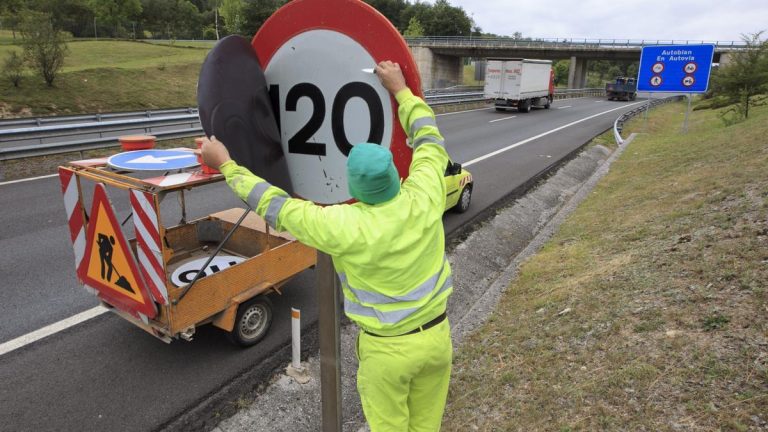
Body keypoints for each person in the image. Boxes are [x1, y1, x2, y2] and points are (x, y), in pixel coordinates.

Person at [201, 60, 453, 431]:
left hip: (387, 352)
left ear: (353, 188)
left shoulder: (343, 225)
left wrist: (225, 164)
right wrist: (400, 90)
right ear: (397, 176)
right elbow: (429, 139)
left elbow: (275, 206)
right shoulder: (426, 192)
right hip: (436, 339)